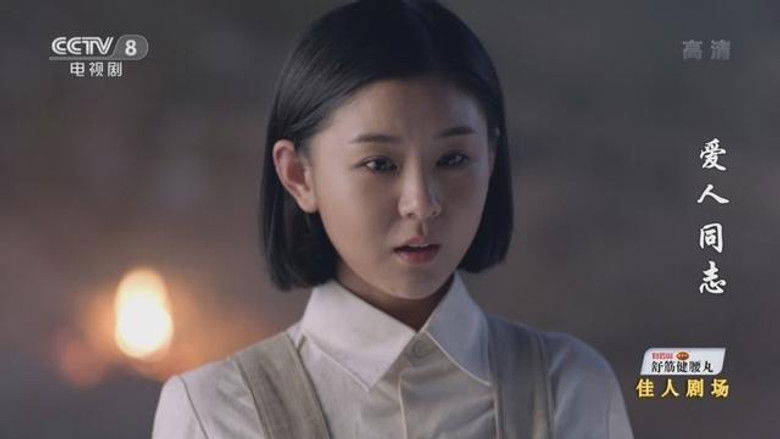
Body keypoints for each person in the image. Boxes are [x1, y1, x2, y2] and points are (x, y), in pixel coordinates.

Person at [152, 1, 634, 438]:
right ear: (299, 175)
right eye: (379, 164)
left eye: (453, 159)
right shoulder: (215, 412)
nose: (421, 204)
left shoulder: (570, 386)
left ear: (491, 156)